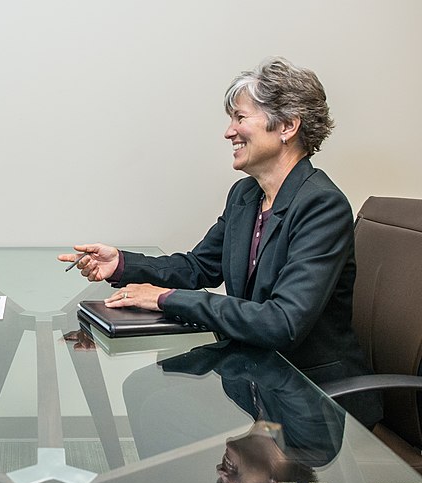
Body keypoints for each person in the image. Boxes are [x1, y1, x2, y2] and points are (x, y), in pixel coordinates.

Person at [59, 57, 381, 427]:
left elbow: (283, 322)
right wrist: (121, 264)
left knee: (163, 406)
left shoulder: (323, 205)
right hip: (256, 367)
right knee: (145, 387)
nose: (229, 132)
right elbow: (199, 267)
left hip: (310, 390)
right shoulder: (246, 195)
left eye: (240, 118)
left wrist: (164, 298)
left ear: (288, 126)